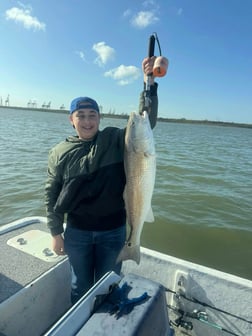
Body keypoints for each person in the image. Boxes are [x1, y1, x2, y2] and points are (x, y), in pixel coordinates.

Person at [45, 57, 159, 304]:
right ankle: (83, 324)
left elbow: (145, 121)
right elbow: (51, 194)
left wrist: (149, 84)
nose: (87, 121)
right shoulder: (59, 152)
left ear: (100, 117)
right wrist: (56, 232)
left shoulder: (115, 140)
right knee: (80, 286)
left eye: (92, 115)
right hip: (77, 232)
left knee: (109, 285)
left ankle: (105, 324)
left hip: (114, 231)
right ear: (71, 119)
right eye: (81, 115)